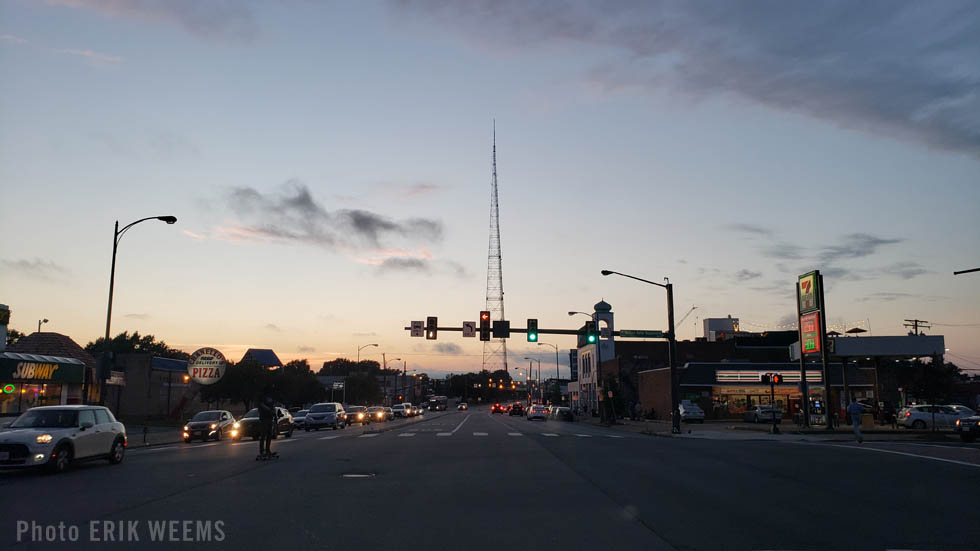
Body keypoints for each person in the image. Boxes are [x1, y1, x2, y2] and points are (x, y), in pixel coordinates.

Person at [257, 386, 277, 457]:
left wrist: (274, 412)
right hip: (264, 418)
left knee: (269, 434)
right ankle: (262, 451)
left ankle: (268, 450)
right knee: (263, 435)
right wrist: (269, 409)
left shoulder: (270, 397)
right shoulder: (262, 396)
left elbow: (273, 405)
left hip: (270, 418)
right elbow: (261, 405)